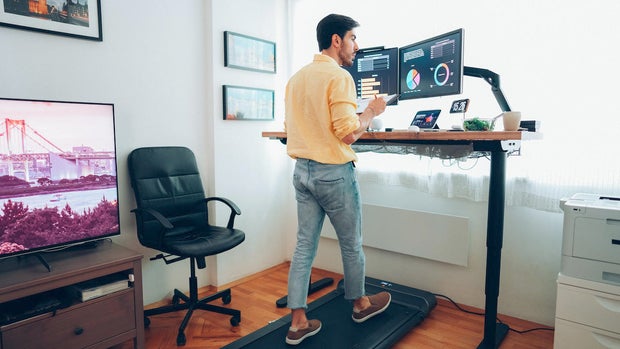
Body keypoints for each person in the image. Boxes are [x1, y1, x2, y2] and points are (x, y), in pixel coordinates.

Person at [283, 13, 391, 346]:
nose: (356, 46)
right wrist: (372, 111)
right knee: (351, 243)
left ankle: (298, 322)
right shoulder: (340, 76)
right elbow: (348, 134)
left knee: (304, 246)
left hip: (302, 171)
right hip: (333, 173)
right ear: (336, 40)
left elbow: (292, 130)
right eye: (353, 39)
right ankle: (360, 304)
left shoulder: (297, 78)